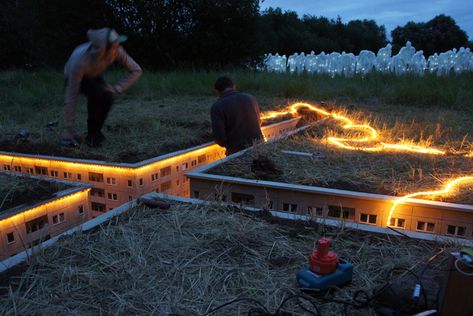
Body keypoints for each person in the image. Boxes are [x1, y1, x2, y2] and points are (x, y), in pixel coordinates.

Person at [62, 27, 142, 147]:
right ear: (102, 49)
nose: (118, 47)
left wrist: (117, 88)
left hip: (94, 73)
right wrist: (69, 129)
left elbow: (136, 70)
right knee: (97, 94)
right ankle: (92, 136)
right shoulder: (80, 62)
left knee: (107, 97)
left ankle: (94, 133)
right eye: (114, 45)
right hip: (76, 74)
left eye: (117, 43)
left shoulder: (116, 50)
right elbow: (71, 98)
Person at [210, 76, 264, 155]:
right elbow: (259, 122)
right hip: (260, 147)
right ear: (234, 86)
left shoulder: (217, 107)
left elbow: (220, 138)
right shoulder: (251, 98)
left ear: (217, 91)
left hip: (237, 153)